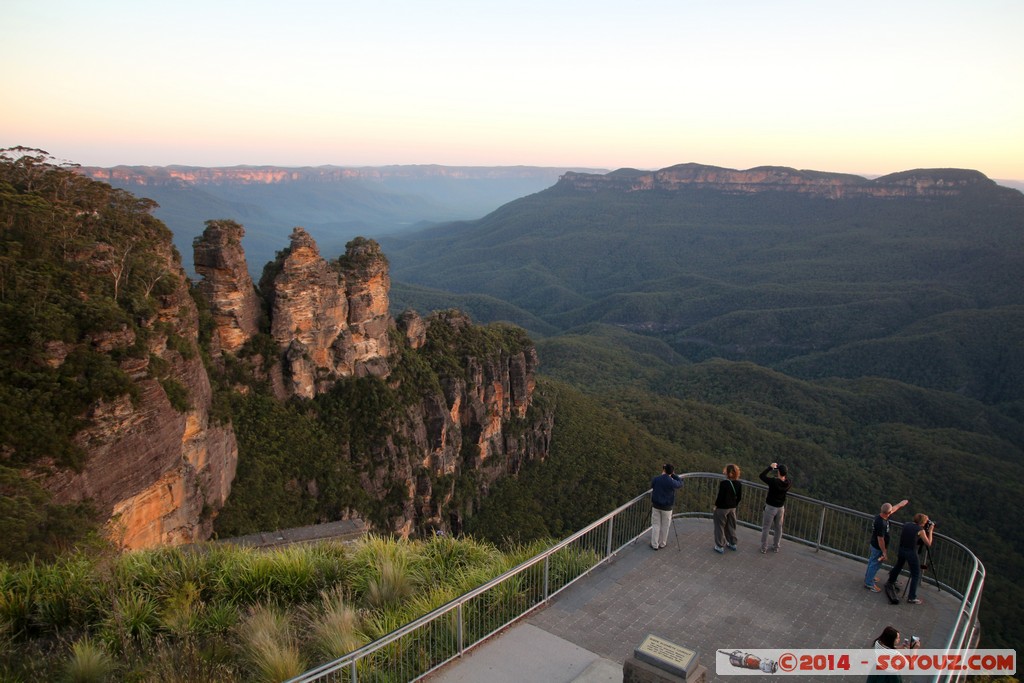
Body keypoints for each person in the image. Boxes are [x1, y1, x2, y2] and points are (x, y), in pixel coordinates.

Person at [885, 513, 934, 605]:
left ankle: (891, 581)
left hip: (902, 549)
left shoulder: (906, 524)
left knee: (898, 565)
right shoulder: (920, 530)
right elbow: (928, 543)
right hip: (911, 552)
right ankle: (912, 597)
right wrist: (930, 531)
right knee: (916, 573)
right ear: (923, 522)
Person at [864, 499, 909, 592]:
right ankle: (869, 583)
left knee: (872, 561)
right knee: (875, 563)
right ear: (887, 513)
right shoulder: (881, 523)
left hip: (874, 544)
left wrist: (901, 504)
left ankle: (869, 577)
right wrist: (884, 551)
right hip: (878, 546)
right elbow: (880, 539)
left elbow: (894, 509)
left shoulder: (880, 516)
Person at [759, 462, 791, 554]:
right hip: (780, 508)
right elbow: (786, 479)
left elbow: (761, 476)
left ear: (778, 472)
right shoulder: (788, 483)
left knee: (766, 528)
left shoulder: (773, 482)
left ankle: (764, 548)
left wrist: (770, 467)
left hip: (770, 507)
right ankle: (776, 546)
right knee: (778, 528)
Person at [650, 463, 684, 550]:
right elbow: (680, 483)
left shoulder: (656, 479)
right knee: (665, 526)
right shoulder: (672, 482)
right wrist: (674, 475)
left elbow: (652, 485)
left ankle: (654, 544)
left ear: (664, 470)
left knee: (656, 525)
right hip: (667, 507)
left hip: (656, 505)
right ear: (671, 472)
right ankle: (662, 543)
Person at [713, 464, 743, 553]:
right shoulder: (738, 484)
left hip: (722, 508)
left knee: (720, 527)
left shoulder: (724, 484)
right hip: (732, 508)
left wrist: (716, 506)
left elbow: (720, 497)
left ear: (729, 472)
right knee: (731, 526)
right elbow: (739, 497)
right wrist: (734, 504)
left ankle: (720, 545)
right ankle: (732, 543)